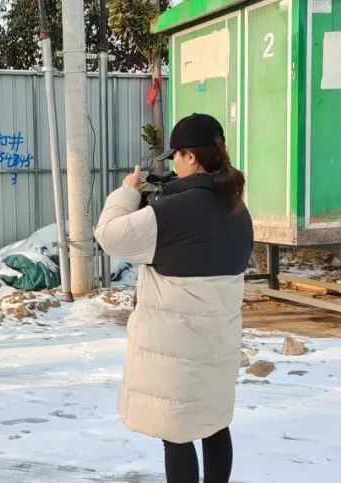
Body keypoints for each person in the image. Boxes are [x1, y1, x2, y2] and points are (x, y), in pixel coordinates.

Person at [94, 113, 253, 483]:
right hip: (218, 345)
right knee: (215, 424)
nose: (173, 165)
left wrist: (128, 192)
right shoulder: (237, 208)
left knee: (176, 435)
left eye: (175, 157)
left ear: (190, 157)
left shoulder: (170, 212)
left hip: (176, 349)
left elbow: (109, 235)